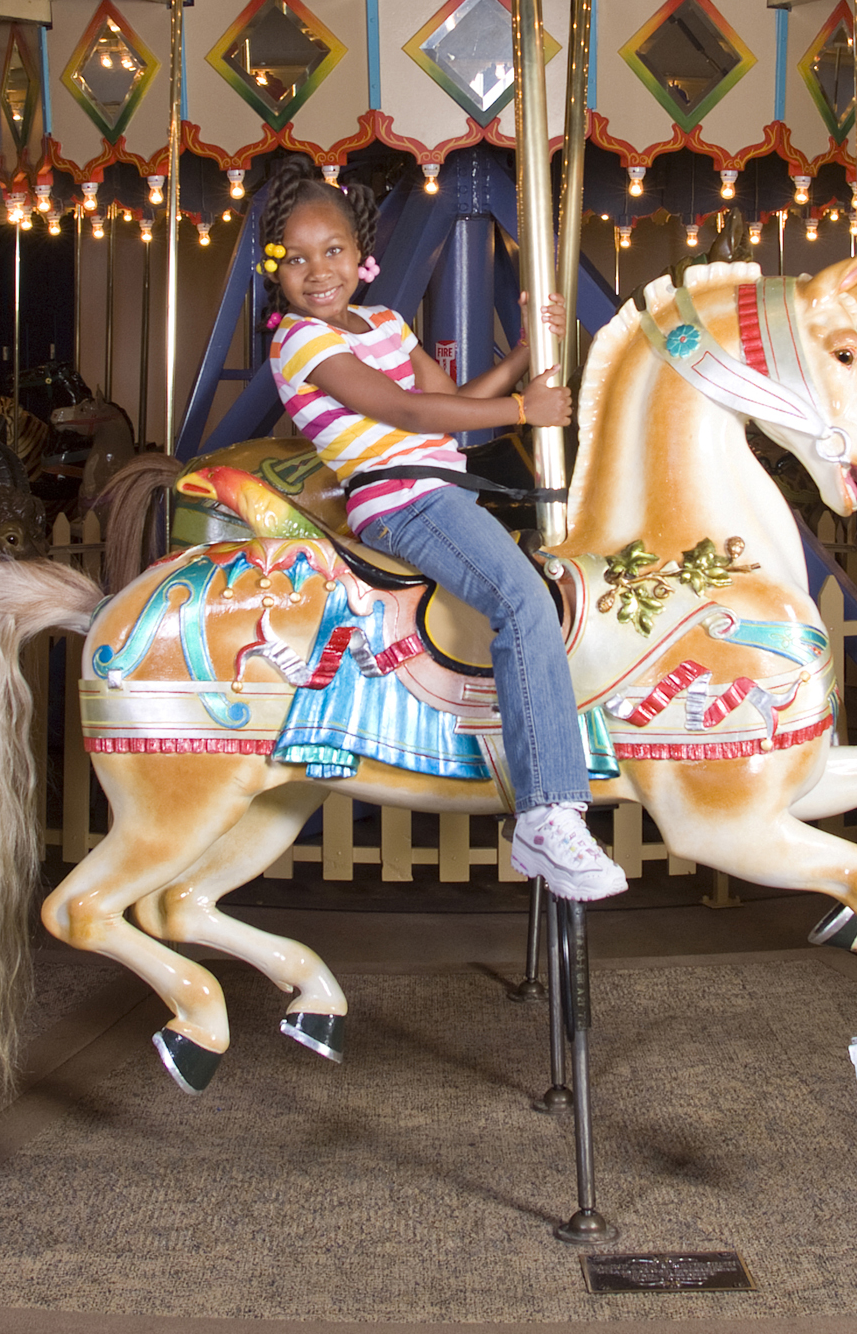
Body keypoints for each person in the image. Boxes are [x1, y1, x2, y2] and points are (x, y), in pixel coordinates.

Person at [262, 155, 626, 901]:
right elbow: (404, 414)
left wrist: (527, 355)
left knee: (546, 592)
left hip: (442, 487)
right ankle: (548, 813)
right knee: (522, 603)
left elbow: (453, 409)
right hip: (400, 502)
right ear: (278, 270)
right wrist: (524, 412)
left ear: (361, 257)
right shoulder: (298, 339)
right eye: (296, 259)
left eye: (331, 251)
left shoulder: (387, 324)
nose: (316, 271)